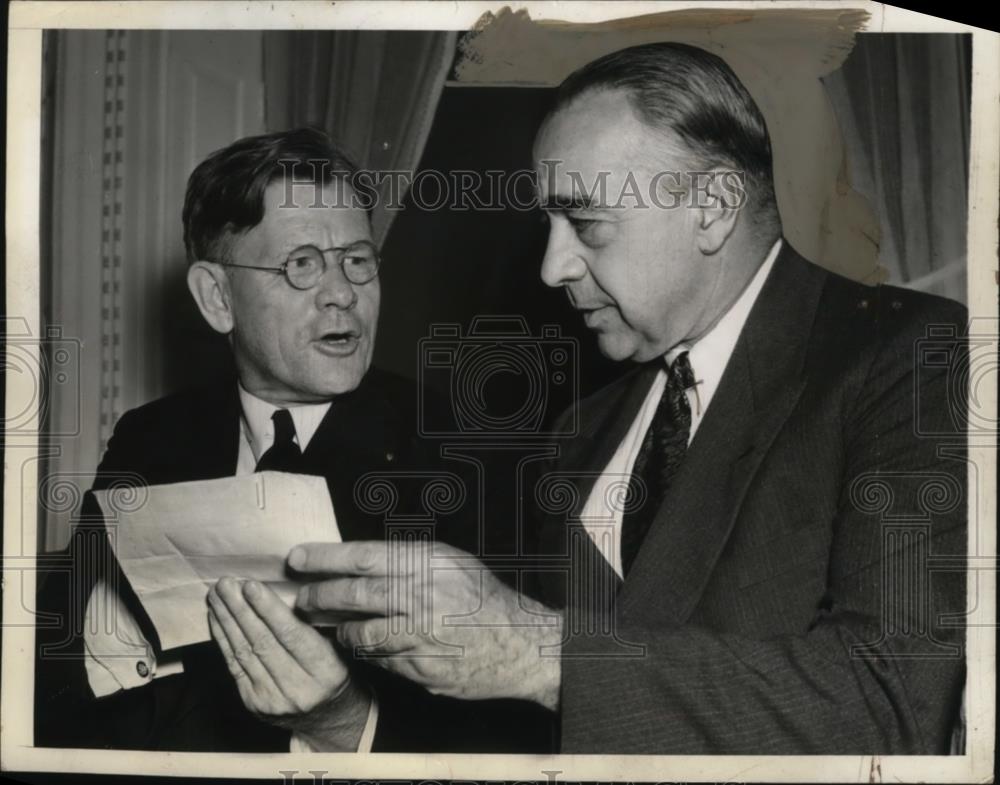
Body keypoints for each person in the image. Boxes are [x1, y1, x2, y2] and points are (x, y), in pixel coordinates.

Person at [286, 42, 968, 754]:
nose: (553, 267)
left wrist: (536, 650)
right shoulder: (583, 427)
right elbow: (539, 732)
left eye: (586, 223)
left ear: (713, 207)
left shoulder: (912, 356)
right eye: (549, 225)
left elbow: (892, 703)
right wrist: (343, 719)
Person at [34, 127, 554, 753]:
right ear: (217, 298)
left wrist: (348, 722)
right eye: (301, 265)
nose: (342, 294)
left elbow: (522, 735)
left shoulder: (473, 451)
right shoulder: (151, 438)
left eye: (357, 260)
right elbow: (57, 674)